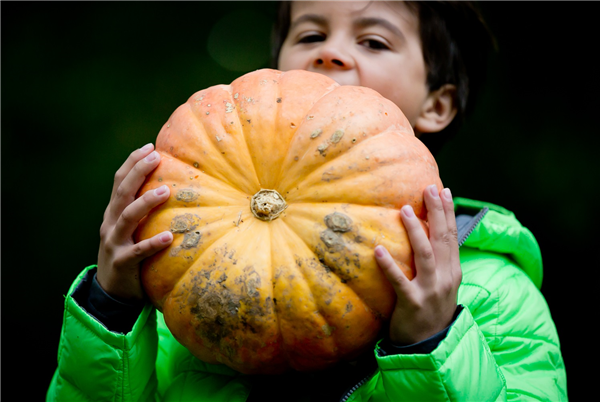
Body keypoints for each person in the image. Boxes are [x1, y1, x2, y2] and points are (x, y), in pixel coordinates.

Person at [46, 1, 567, 401]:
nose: (329, 53)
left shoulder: (492, 290)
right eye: (311, 34)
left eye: (374, 41)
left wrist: (431, 343)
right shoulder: (178, 312)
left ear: (437, 105)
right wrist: (112, 306)